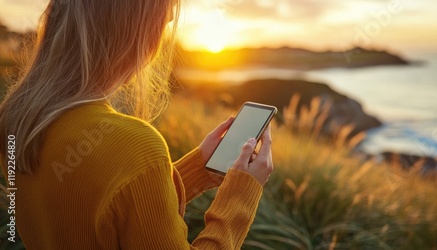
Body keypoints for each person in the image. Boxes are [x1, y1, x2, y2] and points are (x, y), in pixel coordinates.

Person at [0, 0, 274, 249]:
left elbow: (104, 203)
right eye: (163, 22)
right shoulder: (136, 145)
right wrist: (240, 194)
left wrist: (200, 169)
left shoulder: (18, 118)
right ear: (135, 31)